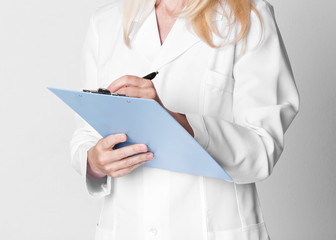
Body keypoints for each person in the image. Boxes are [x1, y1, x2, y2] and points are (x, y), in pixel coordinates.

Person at [70, 0, 300, 239]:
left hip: (211, 229)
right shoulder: (106, 22)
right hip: (127, 228)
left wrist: (174, 121)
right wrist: (95, 163)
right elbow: (86, 135)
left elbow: (263, 150)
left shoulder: (249, 17)